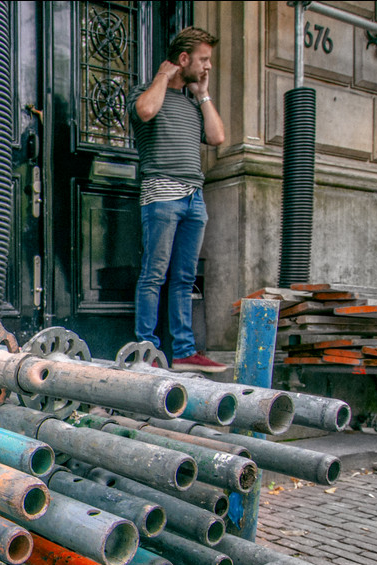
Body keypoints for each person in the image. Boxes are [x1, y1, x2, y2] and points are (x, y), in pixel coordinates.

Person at [128, 27, 227, 373]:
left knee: (184, 278)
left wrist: (203, 95)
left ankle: (184, 352)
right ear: (183, 59)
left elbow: (217, 137)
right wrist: (162, 76)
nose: (208, 67)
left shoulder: (192, 105)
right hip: (162, 196)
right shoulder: (146, 93)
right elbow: (145, 111)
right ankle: (146, 351)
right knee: (154, 274)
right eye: (203, 60)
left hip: (193, 199)